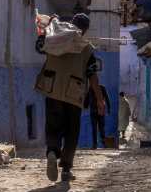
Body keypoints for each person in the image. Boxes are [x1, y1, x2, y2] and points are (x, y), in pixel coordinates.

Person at [34, 13, 105, 182]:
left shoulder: (53, 38)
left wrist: (49, 27)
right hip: (74, 94)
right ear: (86, 29)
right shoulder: (86, 48)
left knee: (53, 127)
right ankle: (66, 169)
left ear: (72, 22)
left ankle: (52, 151)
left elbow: (38, 47)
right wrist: (99, 100)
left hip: (52, 90)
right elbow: (92, 75)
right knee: (72, 132)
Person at [90, 84, 111, 149]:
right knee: (101, 126)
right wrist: (108, 109)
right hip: (100, 111)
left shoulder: (91, 87)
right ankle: (103, 142)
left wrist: (84, 106)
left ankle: (95, 144)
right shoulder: (102, 87)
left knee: (94, 127)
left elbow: (87, 98)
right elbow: (107, 98)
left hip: (93, 110)